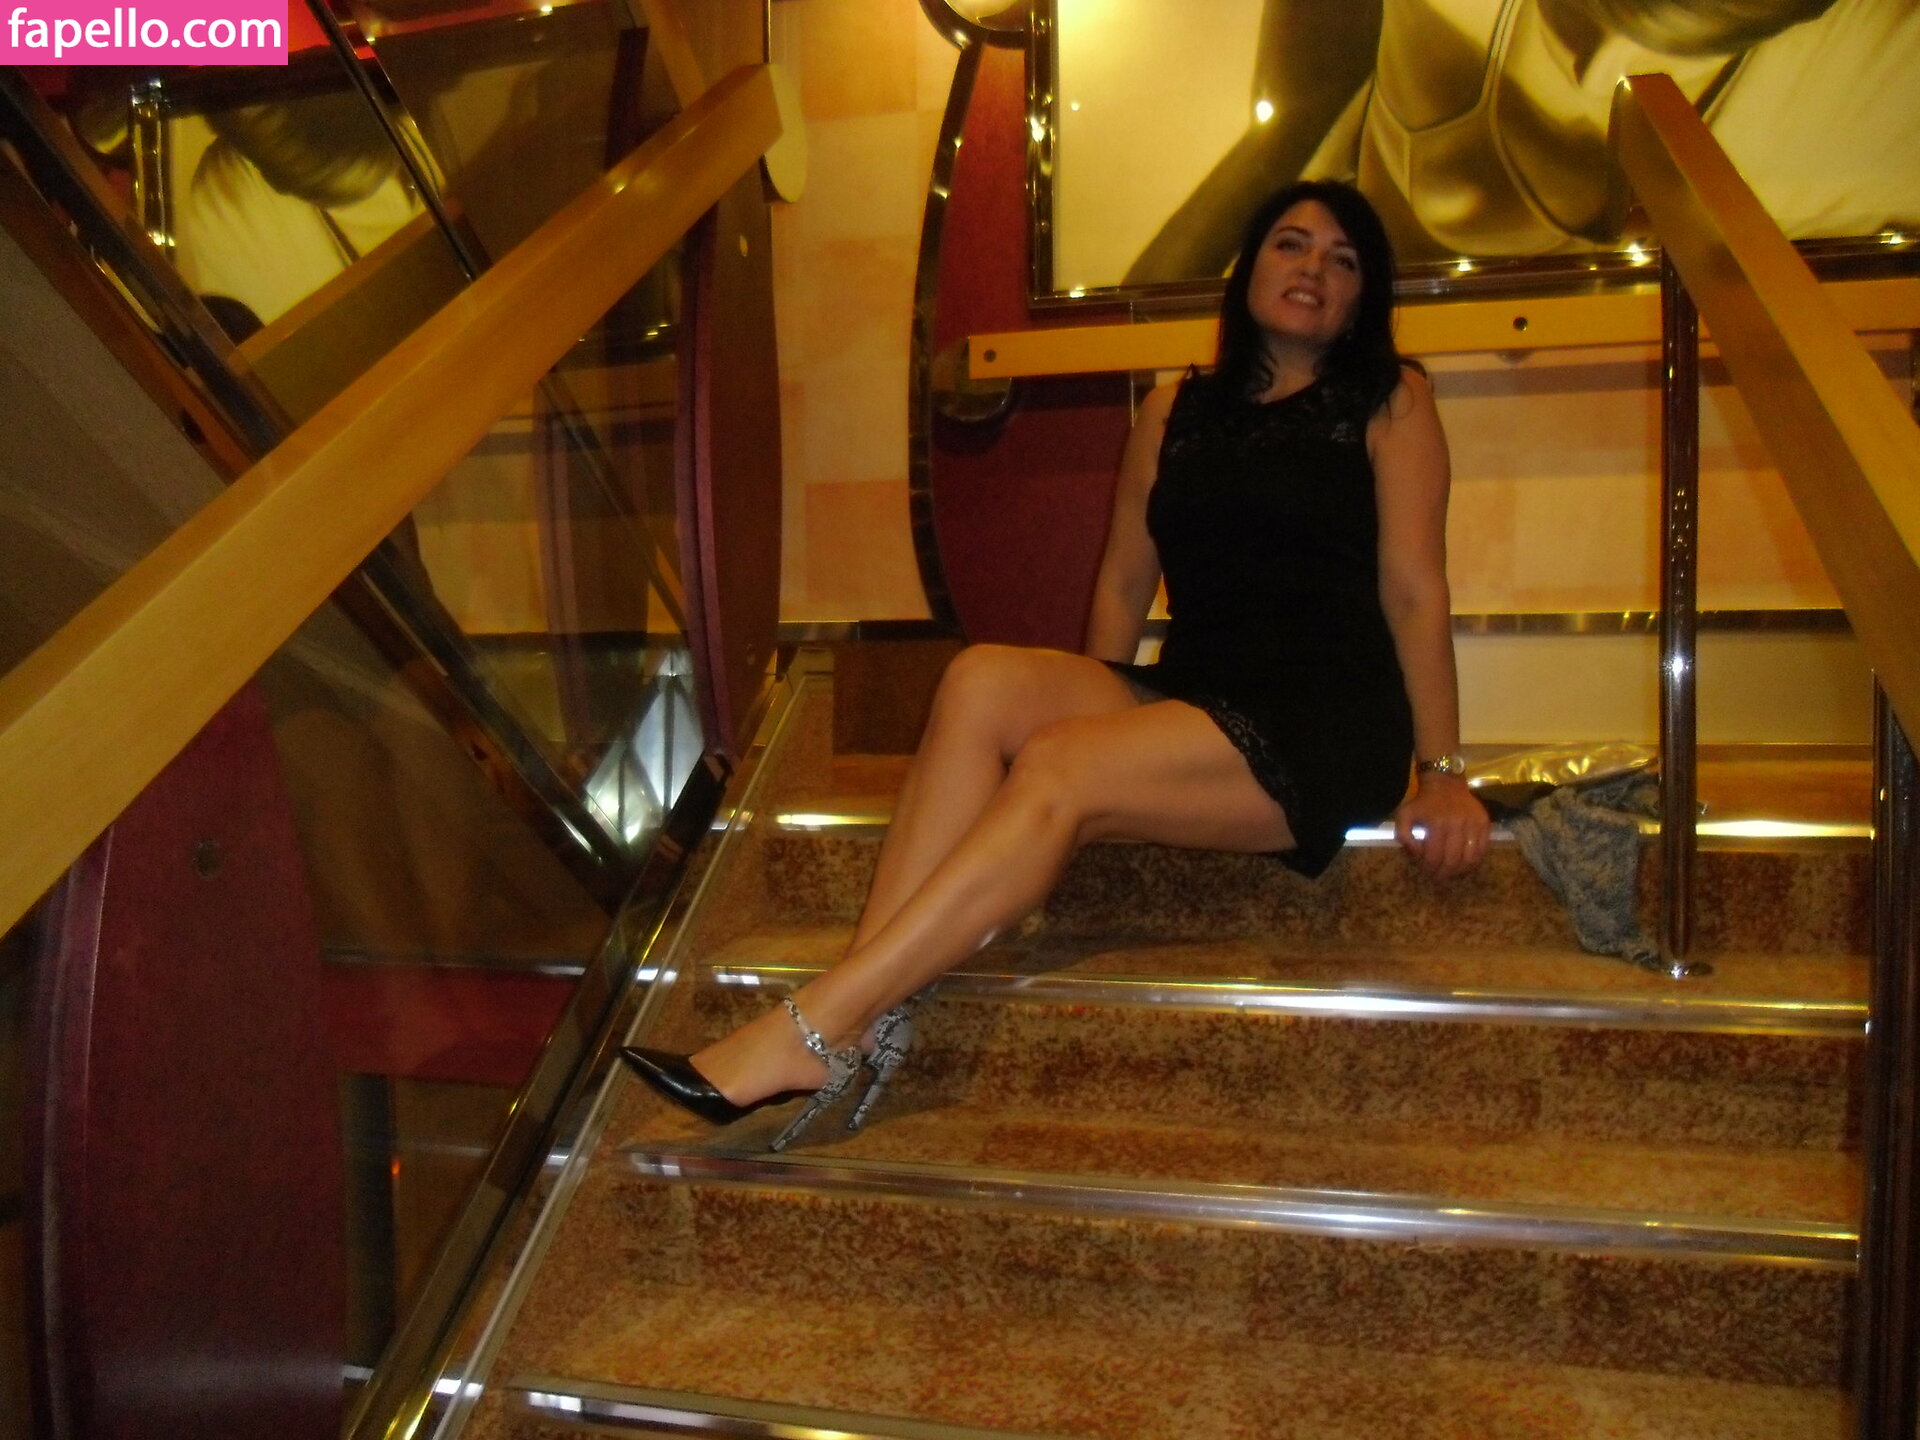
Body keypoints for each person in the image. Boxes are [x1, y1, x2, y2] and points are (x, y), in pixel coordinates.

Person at [623, 180, 1491, 1150]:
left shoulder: (1392, 400)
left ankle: (821, 1022)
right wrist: (1100, 727)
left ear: (1363, 297)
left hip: (1321, 714)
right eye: (1292, 244)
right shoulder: (1172, 411)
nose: (1314, 269)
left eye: (1343, 260)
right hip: (1198, 689)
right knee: (982, 678)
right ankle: (860, 1010)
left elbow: (1414, 590)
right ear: (1249, 265)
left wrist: (1442, 771)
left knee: (1060, 764)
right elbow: (1122, 581)